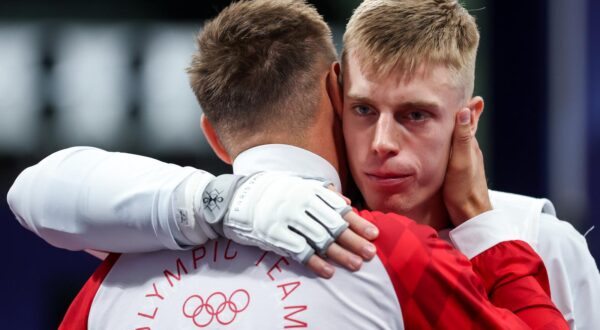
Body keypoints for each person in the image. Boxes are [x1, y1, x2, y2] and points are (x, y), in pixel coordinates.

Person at [8, 1, 568, 329]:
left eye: (414, 115)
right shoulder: (386, 250)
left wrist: (224, 203)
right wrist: (482, 224)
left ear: (214, 137)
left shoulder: (108, 285)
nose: (382, 142)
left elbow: (30, 193)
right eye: (364, 109)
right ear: (335, 88)